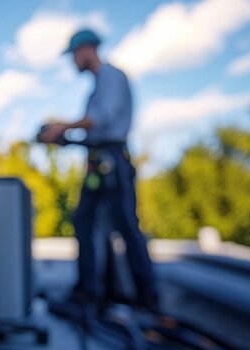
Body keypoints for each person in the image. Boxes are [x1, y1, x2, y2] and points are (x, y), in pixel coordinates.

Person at [40, 29, 158, 311]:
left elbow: (102, 119)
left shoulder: (111, 77)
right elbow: (94, 132)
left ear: (87, 50)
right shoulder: (96, 86)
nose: (73, 62)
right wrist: (64, 138)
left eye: (74, 56)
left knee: (126, 227)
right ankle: (90, 292)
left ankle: (147, 296)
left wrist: (64, 126)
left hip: (112, 162)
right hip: (97, 162)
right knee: (85, 222)